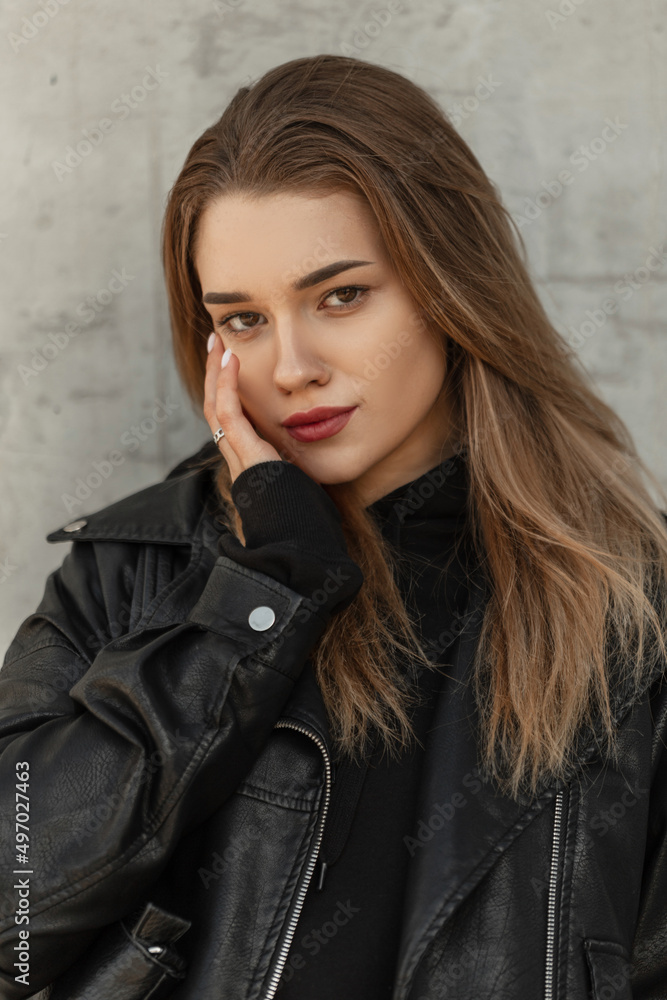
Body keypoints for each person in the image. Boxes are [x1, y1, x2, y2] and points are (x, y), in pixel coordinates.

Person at [1, 52, 667, 1000]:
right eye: (241, 319)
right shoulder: (132, 573)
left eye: (341, 296)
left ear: (449, 284)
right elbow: (11, 922)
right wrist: (257, 601)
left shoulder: (631, 608)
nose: (291, 365)